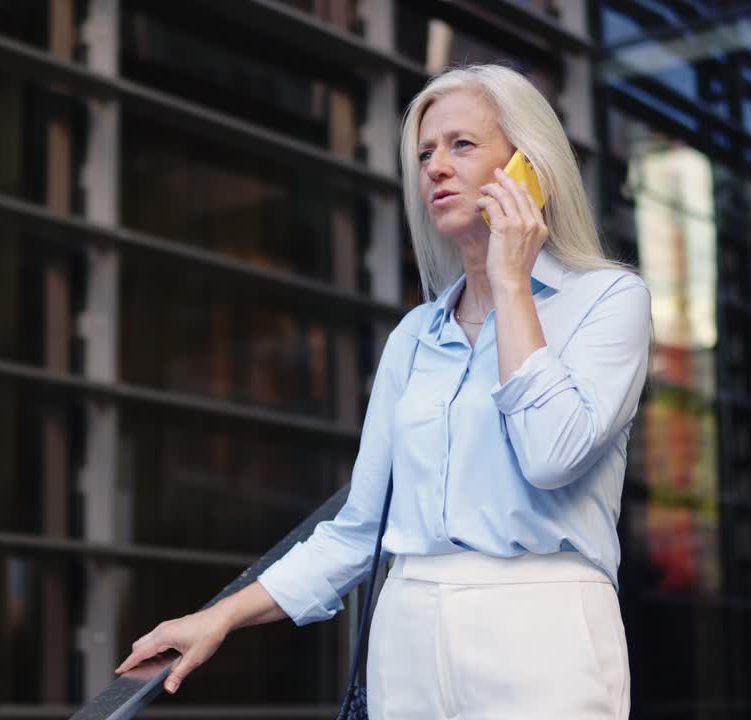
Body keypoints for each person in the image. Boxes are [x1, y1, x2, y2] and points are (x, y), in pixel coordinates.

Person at [115, 64, 650, 719]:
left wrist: (511, 282)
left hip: (542, 627)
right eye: (424, 153)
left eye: (462, 145)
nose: (436, 168)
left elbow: (552, 453)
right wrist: (220, 617)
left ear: (530, 169)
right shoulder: (414, 337)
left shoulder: (607, 301)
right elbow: (358, 531)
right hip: (409, 633)